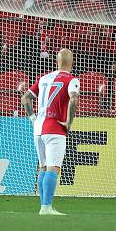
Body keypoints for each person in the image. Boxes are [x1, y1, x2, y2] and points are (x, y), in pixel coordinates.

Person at [21, 48, 80, 216]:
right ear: (72, 62)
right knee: (53, 168)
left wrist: (33, 118)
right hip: (55, 128)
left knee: (43, 167)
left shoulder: (44, 78)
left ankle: (43, 206)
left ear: (57, 61)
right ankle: (46, 207)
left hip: (38, 129)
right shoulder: (71, 79)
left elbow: (25, 98)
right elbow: (74, 99)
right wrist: (69, 122)